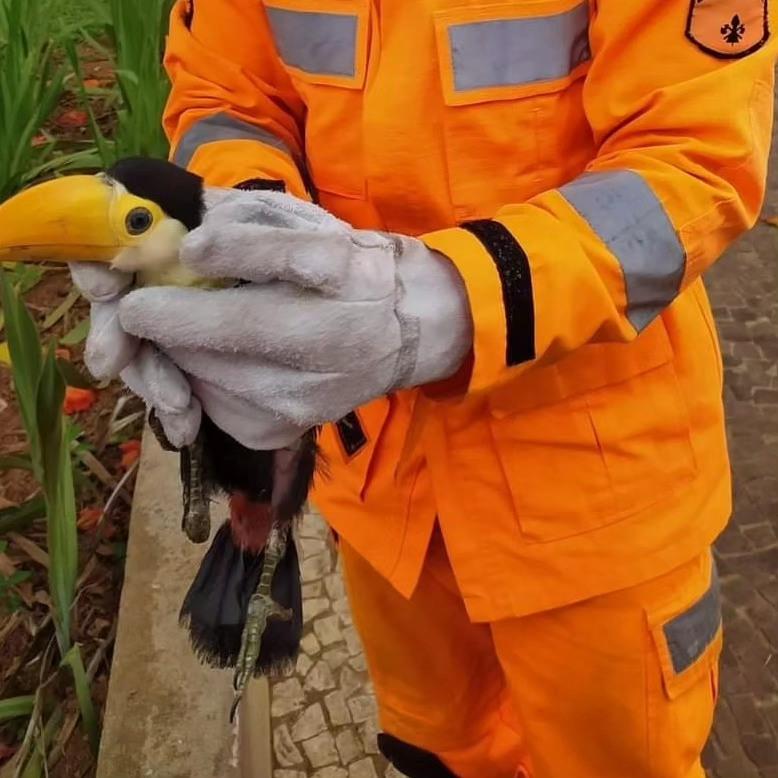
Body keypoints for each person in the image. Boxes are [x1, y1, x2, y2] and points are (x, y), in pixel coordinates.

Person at [74, 1, 777, 775]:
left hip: (594, 487)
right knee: (439, 748)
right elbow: (229, 96)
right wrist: (246, 232)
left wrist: (455, 299)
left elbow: (690, 160)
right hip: (383, 478)